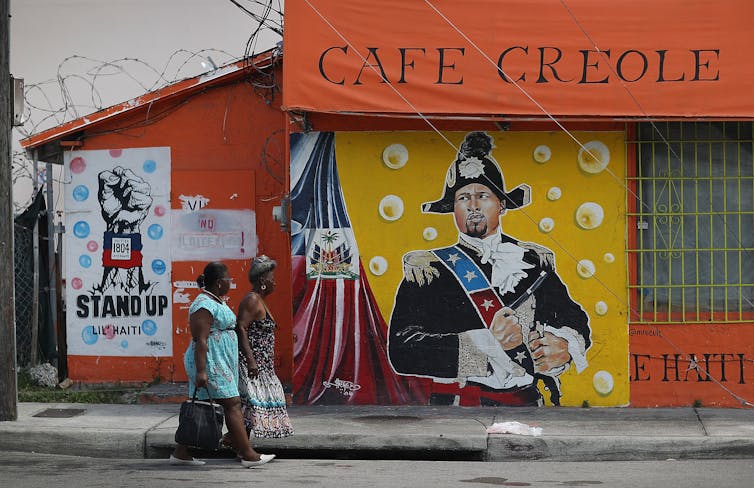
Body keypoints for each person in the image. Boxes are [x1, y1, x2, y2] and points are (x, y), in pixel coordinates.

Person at [388, 131, 591, 407]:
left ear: (502, 204)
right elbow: (402, 351)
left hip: (527, 403)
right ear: (453, 208)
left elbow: (576, 319)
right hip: (457, 407)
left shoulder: (533, 261)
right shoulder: (428, 270)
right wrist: (488, 344)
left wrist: (565, 345)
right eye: (463, 198)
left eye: (482, 195)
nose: (473, 206)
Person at [171, 261, 275, 467]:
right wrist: (202, 371)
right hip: (209, 361)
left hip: (219, 361)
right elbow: (200, 340)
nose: (230, 282)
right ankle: (248, 454)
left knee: (202, 405)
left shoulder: (215, 300)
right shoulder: (203, 305)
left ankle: (181, 452)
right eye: (228, 279)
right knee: (232, 403)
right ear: (219, 282)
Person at [237, 255, 294, 439]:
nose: (274, 283)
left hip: (263, 366)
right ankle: (240, 446)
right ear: (262, 281)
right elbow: (241, 328)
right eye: (272, 279)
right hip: (253, 366)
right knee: (252, 404)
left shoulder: (259, 300)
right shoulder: (252, 300)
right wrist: (251, 361)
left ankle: (238, 444)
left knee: (252, 407)